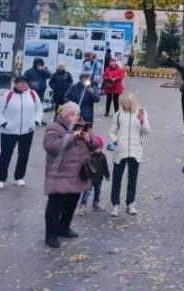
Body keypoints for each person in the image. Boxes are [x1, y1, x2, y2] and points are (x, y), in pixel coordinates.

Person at [43, 102, 97, 248]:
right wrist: (71, 137)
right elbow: (51, 147)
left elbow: (96, 144)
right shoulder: (54, 128)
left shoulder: (82, 126)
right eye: (73, 115)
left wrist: (89, 139)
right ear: (65, 115)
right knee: (56, 203)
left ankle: (64, 227)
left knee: (72, 201)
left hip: (78, 173)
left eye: (77, 114)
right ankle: (51, 235)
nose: (76, 117)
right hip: (60, 173)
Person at [0, 75, 44, 187]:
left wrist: (35, 121)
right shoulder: (8, 95)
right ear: (15, 83)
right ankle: (0, 179)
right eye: (20, 82)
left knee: (24, 155)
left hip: (27, 130)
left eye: (25, 82)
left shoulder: (32, 94)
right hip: (9, 131)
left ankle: (19, 176)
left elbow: (39, 109)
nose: (23, 85)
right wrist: (4, 123)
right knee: (5, 154)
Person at [108, 91, 150, 216]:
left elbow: (147, 131)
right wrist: (116, 141)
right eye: (122, 103)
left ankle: (130, 203)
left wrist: (143, 121)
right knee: (117, 178)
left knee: (132, 178)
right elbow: (111, 132)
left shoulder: (141, 112)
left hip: (135, 149)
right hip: (121, 150)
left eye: (126, 103)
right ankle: (115, 204)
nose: (124, 106)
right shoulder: (119, 114)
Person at [78, 134, 110, 215]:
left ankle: (96, 203)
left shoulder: (102, 156)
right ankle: (83, 205)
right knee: (87, 191)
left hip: (99, 177)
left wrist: (107, 175)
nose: (99, 149)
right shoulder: (88, 156)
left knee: (97, 190)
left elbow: (105, 166)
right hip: (89, 177)